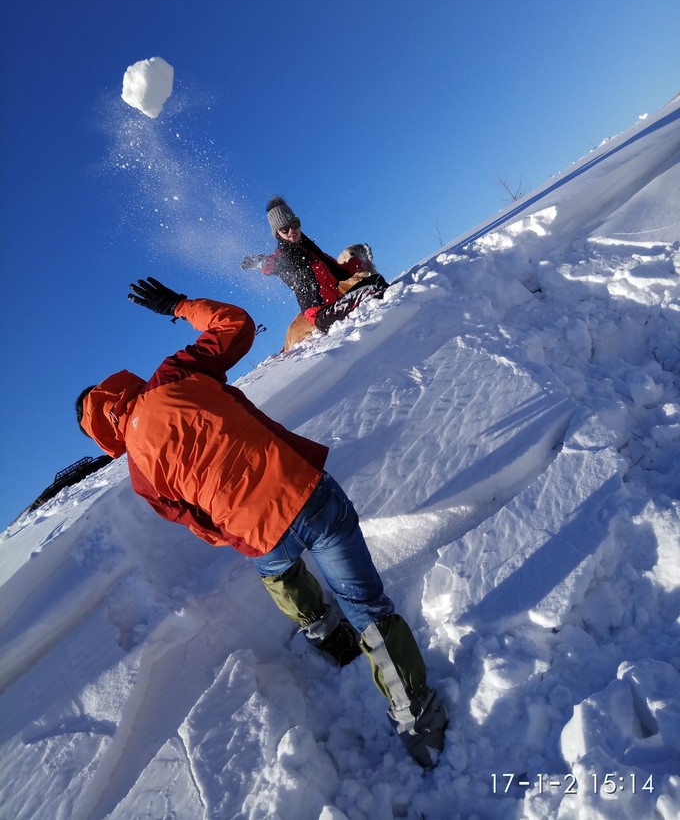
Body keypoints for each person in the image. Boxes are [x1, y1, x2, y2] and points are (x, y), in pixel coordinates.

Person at [76, 277, 448, 767]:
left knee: (277, 574)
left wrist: (239, 527)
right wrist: (179, 304)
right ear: (116, 387)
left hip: (258, 531)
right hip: (306, 491)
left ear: (102, 434)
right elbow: (238, 326)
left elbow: (199, 525)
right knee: (367, 604)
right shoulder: (172, 375)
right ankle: (416, 717)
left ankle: (329, 638)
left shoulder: (141, 474)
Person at [241, 196, 388, 333]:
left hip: (337, 302)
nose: (291, 231)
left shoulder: (313, 252)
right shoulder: (284, 257)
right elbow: (273, 264)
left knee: (376, 280)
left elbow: (340, 271)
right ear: (278, 234)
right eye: (285, 229)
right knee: (372, 290)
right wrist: (260, 263)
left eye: (294, 224)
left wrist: (359, 259)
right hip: (321, 315)